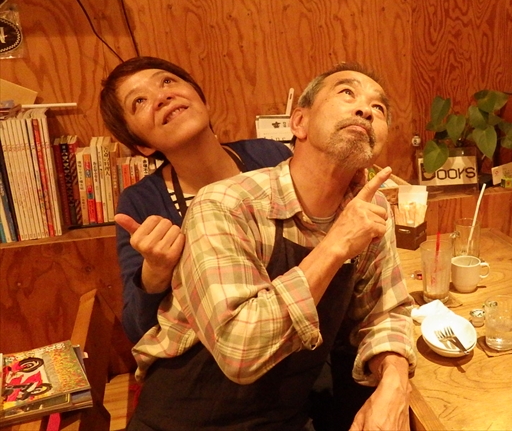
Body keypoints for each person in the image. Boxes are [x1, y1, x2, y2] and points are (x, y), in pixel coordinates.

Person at [128, 62, 416, 430]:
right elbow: (239, 352)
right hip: (183, 418)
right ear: (299, 123)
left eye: (379, 107)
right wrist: (336, 245)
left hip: (284, 416)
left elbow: (385, 311)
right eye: (347, 93)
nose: (365, 109)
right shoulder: (224, 204)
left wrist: (394, 381)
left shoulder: (371, 209)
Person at [99, 56, 293, 344]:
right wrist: (154, 272)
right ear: (142, 145)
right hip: (213, 353)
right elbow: (137, 330)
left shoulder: (271, 156)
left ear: (203, 100)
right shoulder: (141, 202)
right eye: (139, 101)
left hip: (297, 335)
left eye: (167, 81)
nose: (161, 97)